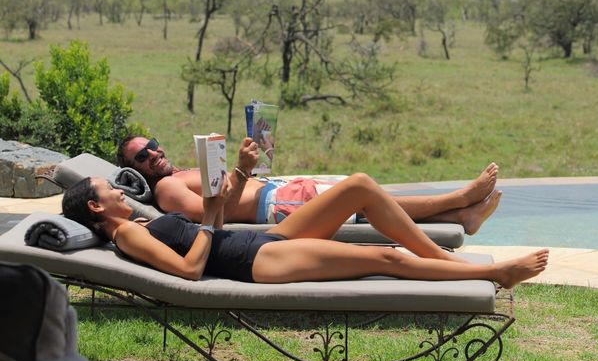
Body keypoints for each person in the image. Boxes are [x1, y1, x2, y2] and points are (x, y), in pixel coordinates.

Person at [61, 175, 549, 288]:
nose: (124, 192)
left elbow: (207, 225)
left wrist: (235, 178)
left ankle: (449, 252)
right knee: (387, 258)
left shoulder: (138, 222)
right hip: (256, 262)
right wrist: (211, 219)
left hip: (258, 241)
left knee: (359, 187)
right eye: (114, 191)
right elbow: (189, 271)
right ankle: (493, 275)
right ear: (95, 205)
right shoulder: (126, 235)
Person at [117, 135, 502, 234]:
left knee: (373, 199)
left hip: (279, 189)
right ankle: (459, 200)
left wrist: (256, 159)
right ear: (136, 170)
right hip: (277, 206)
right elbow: (211, 217)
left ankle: (461, 215)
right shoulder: (166, 190)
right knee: (367, 200)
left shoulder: (180, 171)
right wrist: (241, 171)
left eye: (151, 146)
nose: (153, 155)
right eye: (141, 157)